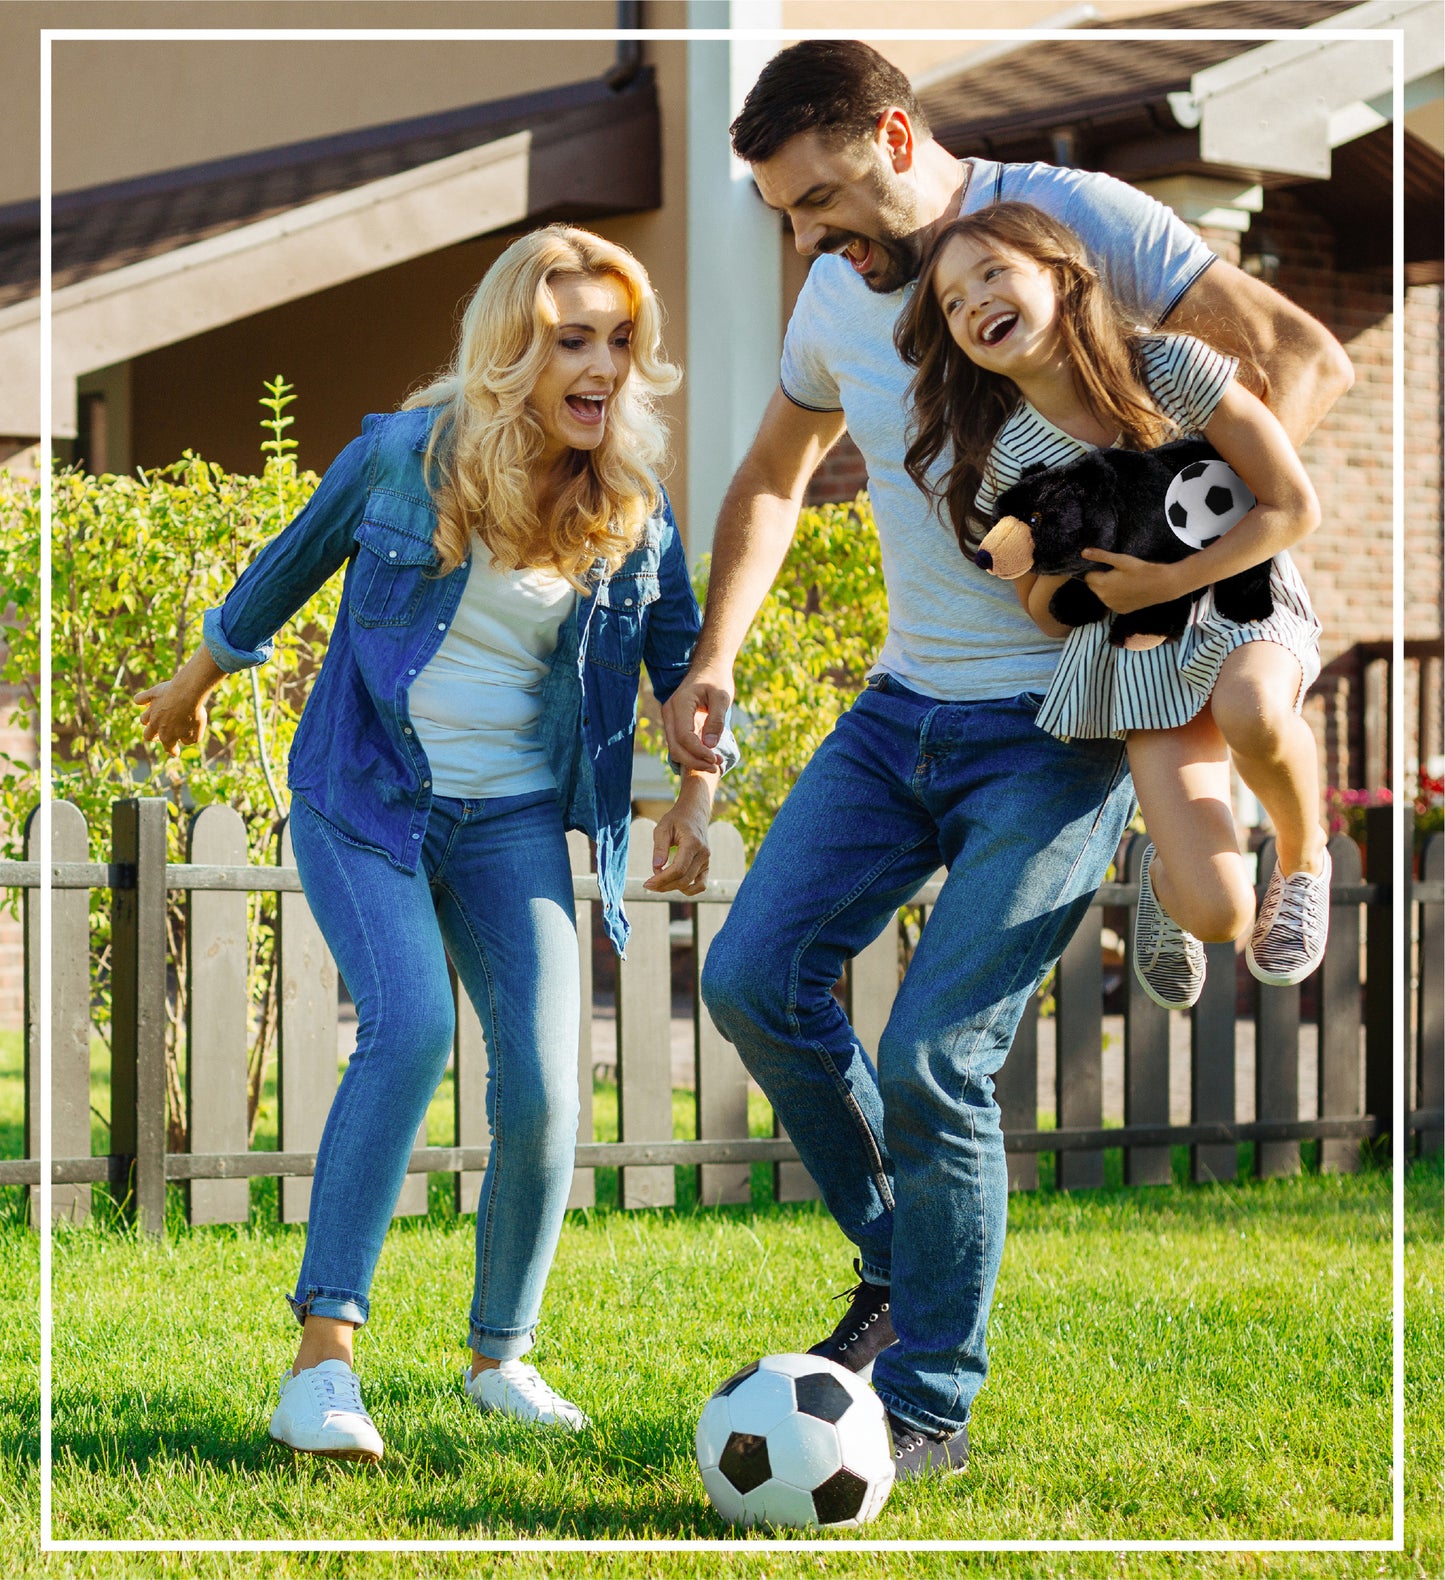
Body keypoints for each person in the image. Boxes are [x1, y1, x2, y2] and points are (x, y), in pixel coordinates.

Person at [662, 40, 1351, 1478]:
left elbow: (1298, 358)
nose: (808, 239)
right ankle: (902, 1272)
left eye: (823, 200)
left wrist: (1167, 558)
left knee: (933, 1058)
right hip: (900, 708)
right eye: (788, 214)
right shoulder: (839, 291)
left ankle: (926, 1405)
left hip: (1065, 720)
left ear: (896, 136)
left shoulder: (1080, 221)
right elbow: (775, 478)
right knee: (749, 981)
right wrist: (714, 656)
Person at [137, 225, 734, 1464]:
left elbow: (683, 664)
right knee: (407, 1027)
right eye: (573, 340)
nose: (603, 367)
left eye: (621, 343)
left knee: (547, 1081)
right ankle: (321, 1368)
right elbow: (283, 569)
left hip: (511, 817)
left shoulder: (628, 501)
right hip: (367, 795)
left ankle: (499, 1356)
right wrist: (193, 682)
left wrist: (694, 791)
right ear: (511, 349)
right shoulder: (402, 456)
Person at [896, 202, 1330, 1008]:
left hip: (1241, 604)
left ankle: (1305, 861)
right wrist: (1081, 585)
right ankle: (1168, 884)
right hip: (1134, 657)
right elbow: (1042, 610)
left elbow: (1291, 506)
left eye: (992, 273)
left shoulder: (1168, 367)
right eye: (951, 303)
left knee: (1251, 708)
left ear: (1062, 276)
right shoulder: (1012, 461)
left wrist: (1170, 579)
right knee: (1217, 912)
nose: (972, 302)